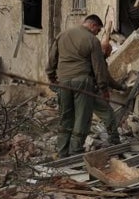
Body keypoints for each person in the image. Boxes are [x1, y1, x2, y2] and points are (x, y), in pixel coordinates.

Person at [46, 14, 113, 157]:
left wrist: (51, 76)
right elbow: (98, 67)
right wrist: (104, 89)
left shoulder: (62, 35)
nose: (98, 33)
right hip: (82, 81)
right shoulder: (92, 40)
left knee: (66, 116)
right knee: (82, 117)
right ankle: (75, 151)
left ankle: (62, 152)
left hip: (63, 81)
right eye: (98, 30)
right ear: (93, 25)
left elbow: (52, 58)